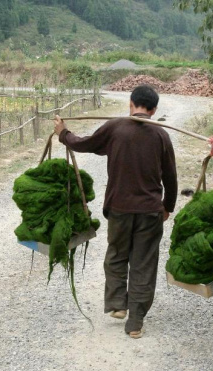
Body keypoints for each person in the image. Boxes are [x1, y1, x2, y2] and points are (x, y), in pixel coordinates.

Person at [53, 85, 178, 339]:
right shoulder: (161, 135)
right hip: (150, 212)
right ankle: (135, 322)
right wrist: (168, 207)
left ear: (131, 103)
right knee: (143, 263)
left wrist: (63, 133)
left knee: (117, 256)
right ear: (153, 110)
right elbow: (171, 177)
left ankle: (118, 304)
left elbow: (84, 144)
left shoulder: (115, 127)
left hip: (120, 209)